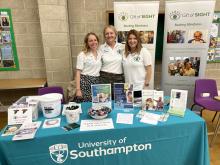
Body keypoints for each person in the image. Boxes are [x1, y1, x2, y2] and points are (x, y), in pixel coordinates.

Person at [75, 32, 102, 102]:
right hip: (85, 83)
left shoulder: (100, 53)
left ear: (98, 41)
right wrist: (78, 89)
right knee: (86, 105)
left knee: (96, 104)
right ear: (87, 43)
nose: (93, 42)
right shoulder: (82, 54)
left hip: (96, 83)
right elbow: (78, 73)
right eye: (90, 41)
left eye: (95, 40)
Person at [99, 25, 124, 97]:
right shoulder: (100, 48)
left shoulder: (122, 47)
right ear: (104, 36)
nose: (109, 35)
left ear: (115, 34)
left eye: (111, 33)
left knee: (120, 103)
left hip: (119, 79)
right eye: (107, 34)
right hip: (104, 79)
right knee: (104, 103)